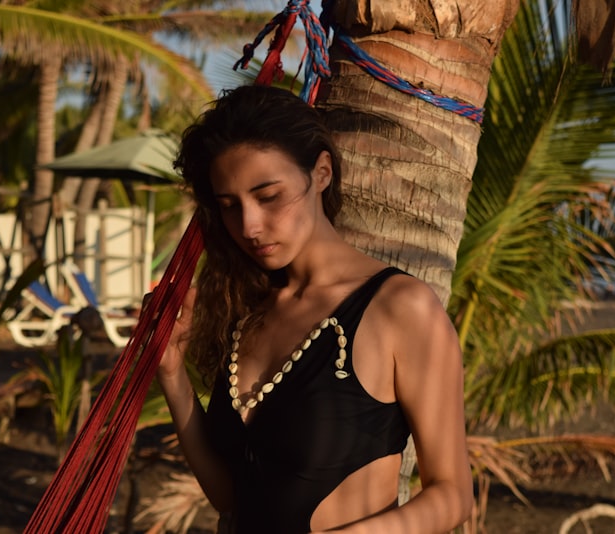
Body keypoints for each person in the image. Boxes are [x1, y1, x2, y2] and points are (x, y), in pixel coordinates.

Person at [156, 85, 473, 533]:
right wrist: (173, 376)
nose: (249, 226)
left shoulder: (401, 308)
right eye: (229, 206)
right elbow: (229, 497)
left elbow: (452, 494)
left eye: (269, 196)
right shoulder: (246, 309)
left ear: (322, 172)